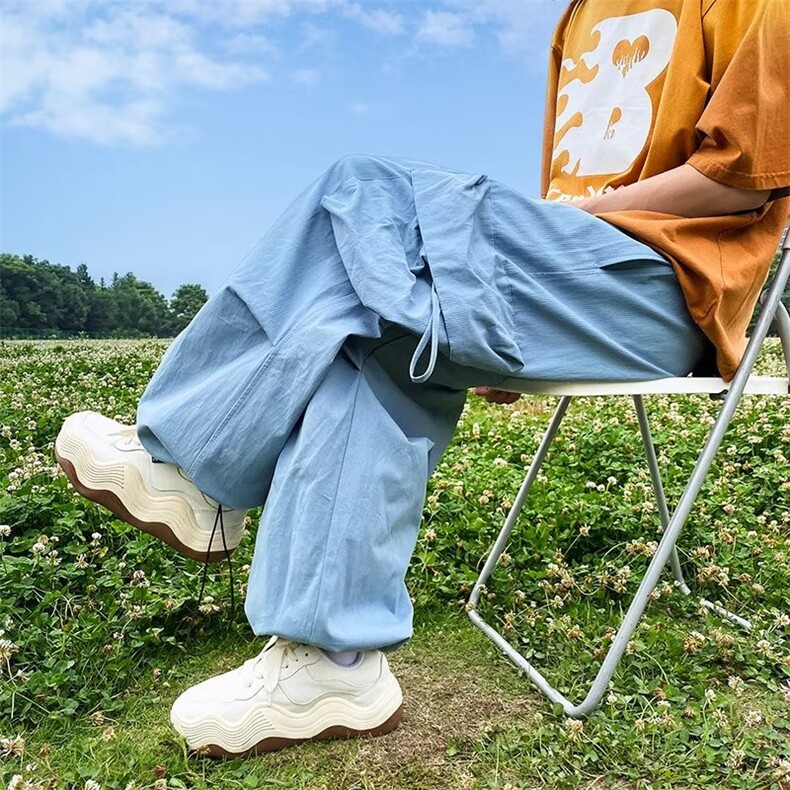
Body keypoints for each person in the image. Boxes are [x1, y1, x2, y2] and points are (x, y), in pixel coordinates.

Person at [55, 0, 788, 759]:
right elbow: (567, 194)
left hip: (660, 290)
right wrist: (496, 305)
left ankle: (194, 470)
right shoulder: (579, 16)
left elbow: (740, 185)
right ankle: (332, 664)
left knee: (364, 188)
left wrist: (518, 257)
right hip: (561, 274)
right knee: (375, 335)